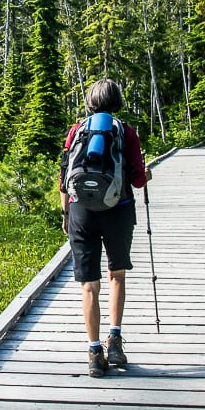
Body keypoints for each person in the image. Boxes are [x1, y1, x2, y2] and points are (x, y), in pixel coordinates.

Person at [59, 78, 151, 377]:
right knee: (116, 275)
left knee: (89, 284)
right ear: (118, 101)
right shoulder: (126, 132)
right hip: (118, 209)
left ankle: (94, 352)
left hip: (80, 210)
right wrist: (146, 175)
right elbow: (136, 179)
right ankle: (115, 339)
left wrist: (66, 213)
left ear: (90, 101)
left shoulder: (76, 130)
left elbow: (64, 178)